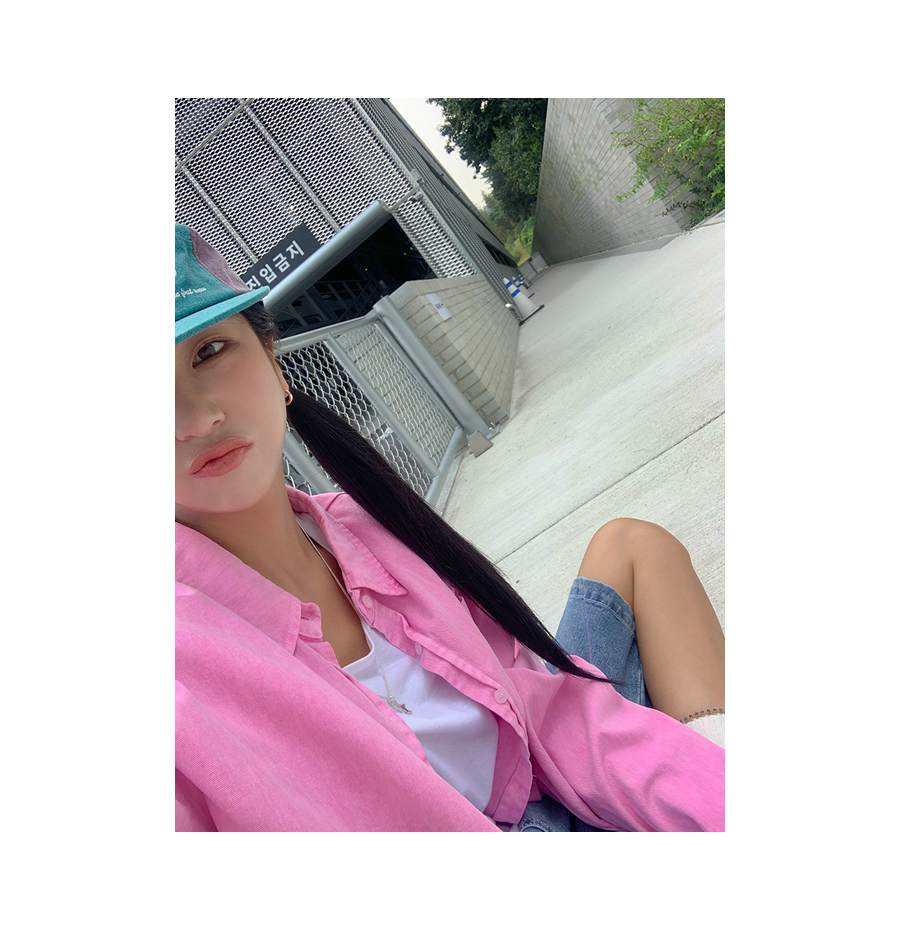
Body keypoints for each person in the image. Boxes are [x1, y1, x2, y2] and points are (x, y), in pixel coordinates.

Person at [175, 223, 726, 832]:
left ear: (274, 363)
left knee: (635, 544)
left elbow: (532, 704)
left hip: (537, 772)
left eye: (208, 352)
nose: (195, 419)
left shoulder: (363, 525)